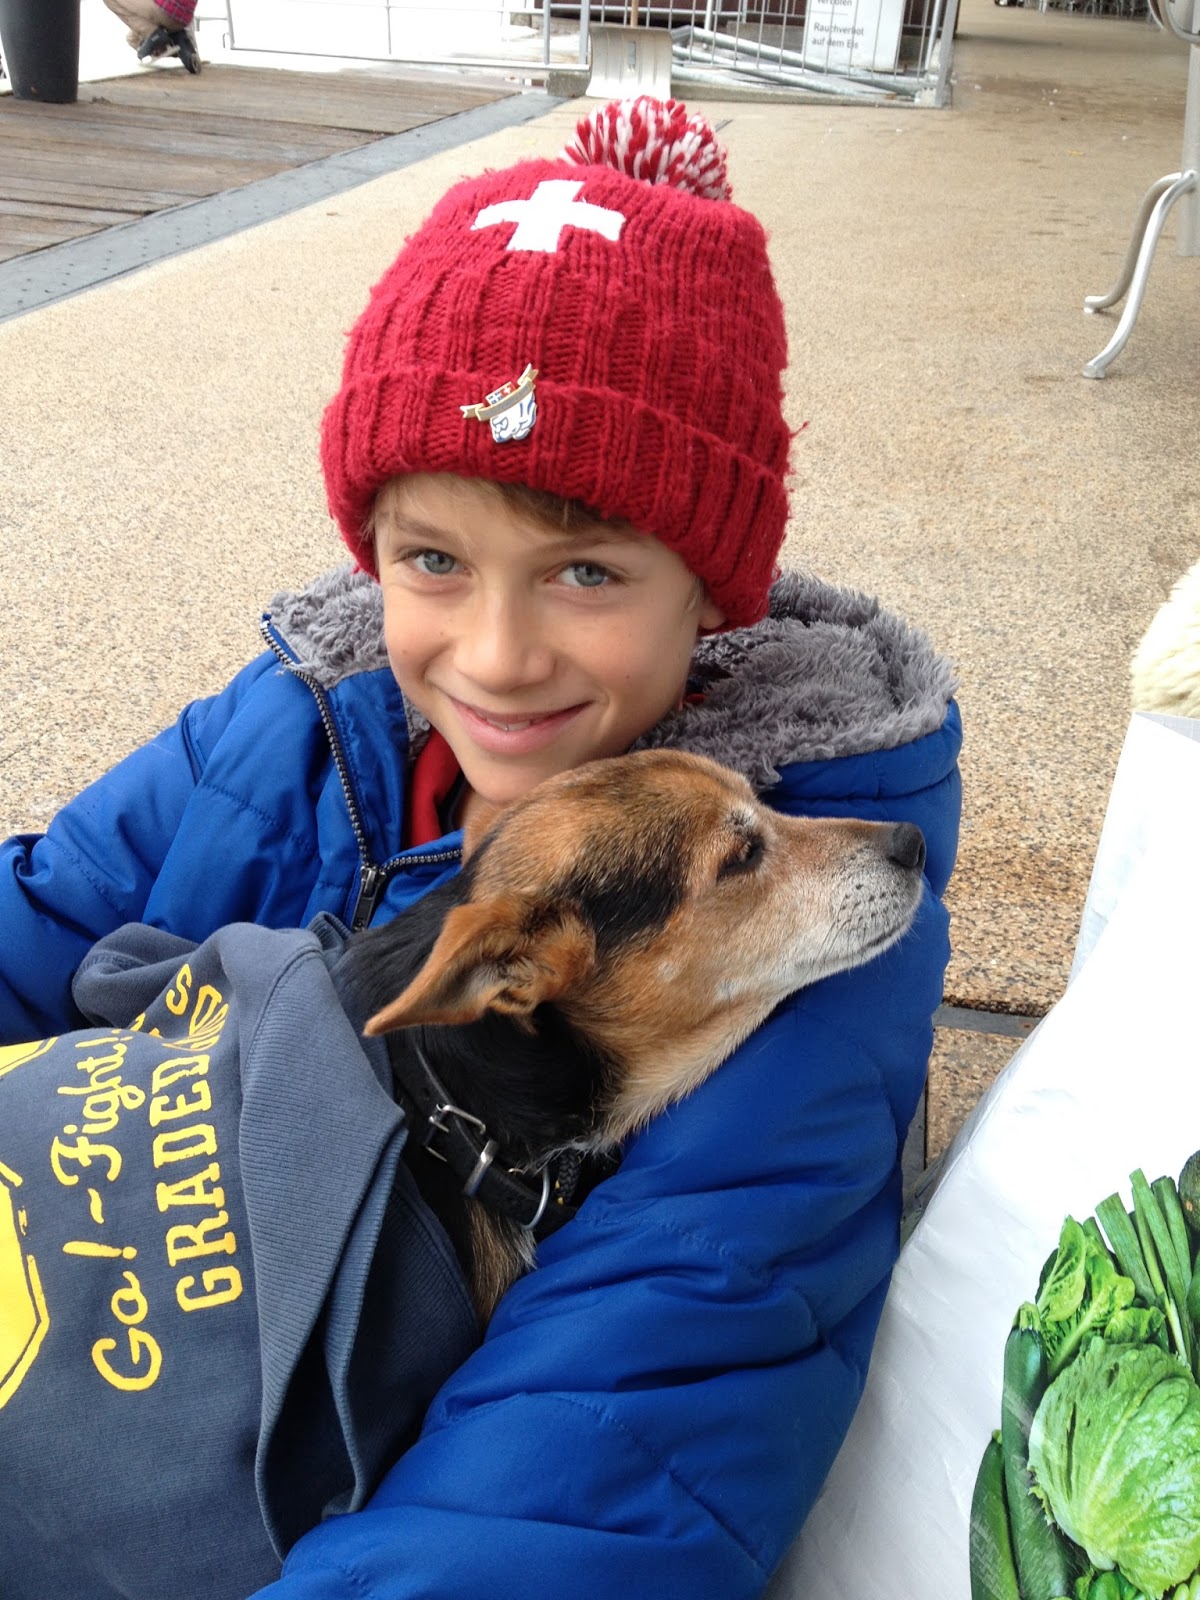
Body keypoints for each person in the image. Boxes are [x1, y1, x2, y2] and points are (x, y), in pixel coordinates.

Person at [0, 97, 961, 1599]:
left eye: (586, 570)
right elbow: (47, 919)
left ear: (710, 588)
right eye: (433, 560)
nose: (499, 656)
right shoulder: (286, 728)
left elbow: (599, 1455)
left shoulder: (801, 992)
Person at [102, 0, 201, 73]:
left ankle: (156, 37)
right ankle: (179, 44)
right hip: (183, 18)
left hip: (165, 10)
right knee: (133, 39)